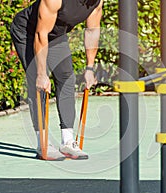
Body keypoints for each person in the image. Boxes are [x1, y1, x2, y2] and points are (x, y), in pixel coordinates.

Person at [10, 0, 103, 161]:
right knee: (37, 83)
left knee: (67, 77)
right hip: (29, 32)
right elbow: (40, 34)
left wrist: (90, 68)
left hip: (55, 35)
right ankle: (43, 143)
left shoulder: (97, 2)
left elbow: (92, 31)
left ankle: (67, 142)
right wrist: (41, 74)